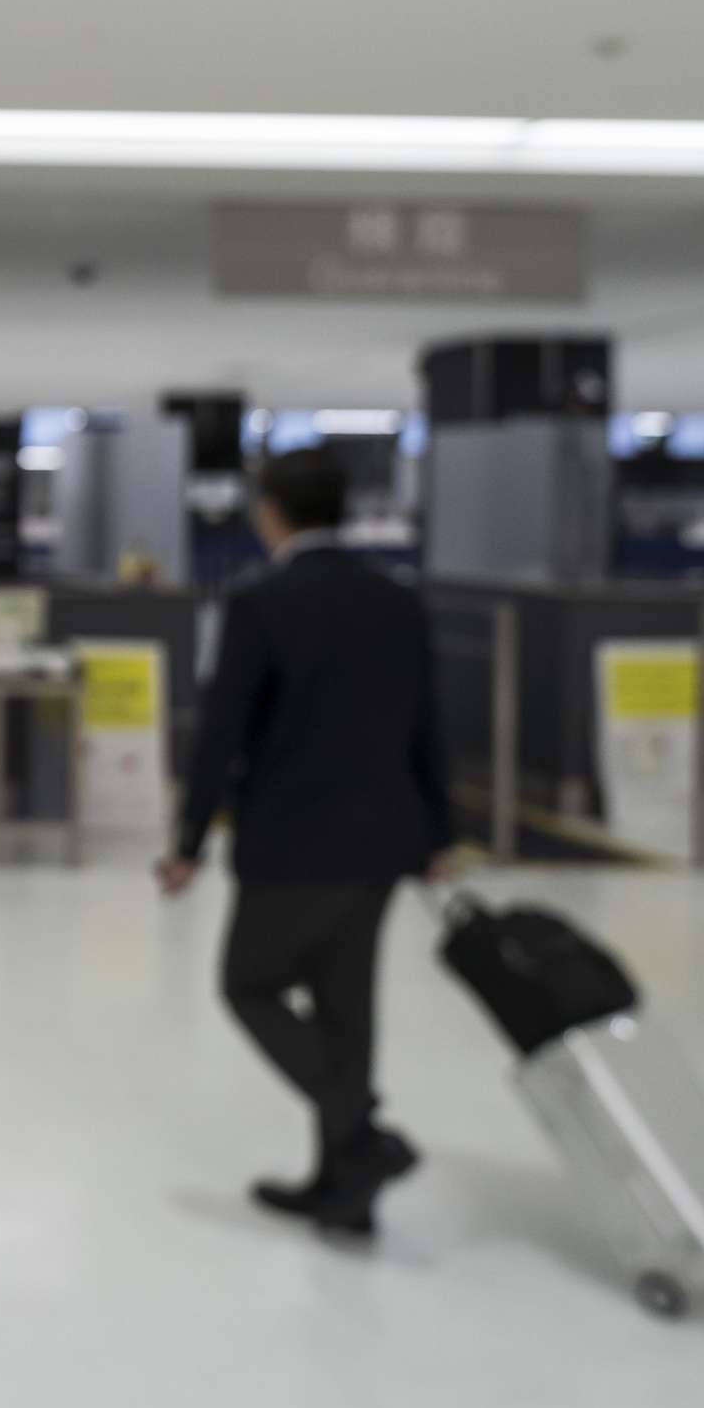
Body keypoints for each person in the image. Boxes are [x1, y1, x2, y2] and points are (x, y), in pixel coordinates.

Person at [157, 447, 454, 1237]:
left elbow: (222, 732)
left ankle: (360, 1138)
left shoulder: (260, 603)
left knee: (248, 983)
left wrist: (188, 839)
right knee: (345, 1006)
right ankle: (342, 1187)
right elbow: (427, 723)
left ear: (270, 512)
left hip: (295, 838)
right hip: (384, 840)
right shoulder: (397, 601)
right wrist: (441, 829)